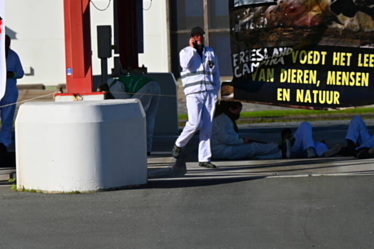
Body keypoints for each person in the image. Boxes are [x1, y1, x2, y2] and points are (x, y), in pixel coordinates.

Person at [172, 26, 221, 168]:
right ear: (192, 37)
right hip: (193, 92)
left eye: (200, 35)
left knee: (207, 126)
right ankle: (179, 144)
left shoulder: (210, 52)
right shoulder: (186, 52)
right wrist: (193, 49)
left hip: (209, 92)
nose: (198, 38)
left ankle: (204, 158)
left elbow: (216, 71)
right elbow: (184, 64)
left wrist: (216, 89)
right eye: (195, 35)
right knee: (195, 123)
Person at [107, 67, 161, 155]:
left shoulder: (113, 87)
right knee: (150, 117)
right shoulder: (121, 81)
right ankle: (147, 148)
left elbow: (128, 105)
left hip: (144, 87)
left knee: (137, 117)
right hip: (154, 84)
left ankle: (139, 147)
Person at [210, 100, 283, 161]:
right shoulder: (223, 119)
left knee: (252, 149)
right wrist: (242, 141)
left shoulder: (222, 118)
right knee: (252, 148)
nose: (238, 114)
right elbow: (226, 138)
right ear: (231, 109)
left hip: (221, 149)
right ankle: (278, 148)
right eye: (237, 112)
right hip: (222, 150)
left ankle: (278, 152)